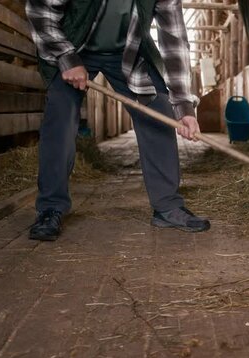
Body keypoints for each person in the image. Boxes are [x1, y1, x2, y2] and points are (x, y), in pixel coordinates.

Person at [26, 0, 211, 241]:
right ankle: (51, 207)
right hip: (73, 45)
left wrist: (184, 106)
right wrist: (65, 56)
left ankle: (167, 206)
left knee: (158, 110)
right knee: (60, 113)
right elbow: (40, 11)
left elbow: (174, 39)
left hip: (128, 52)